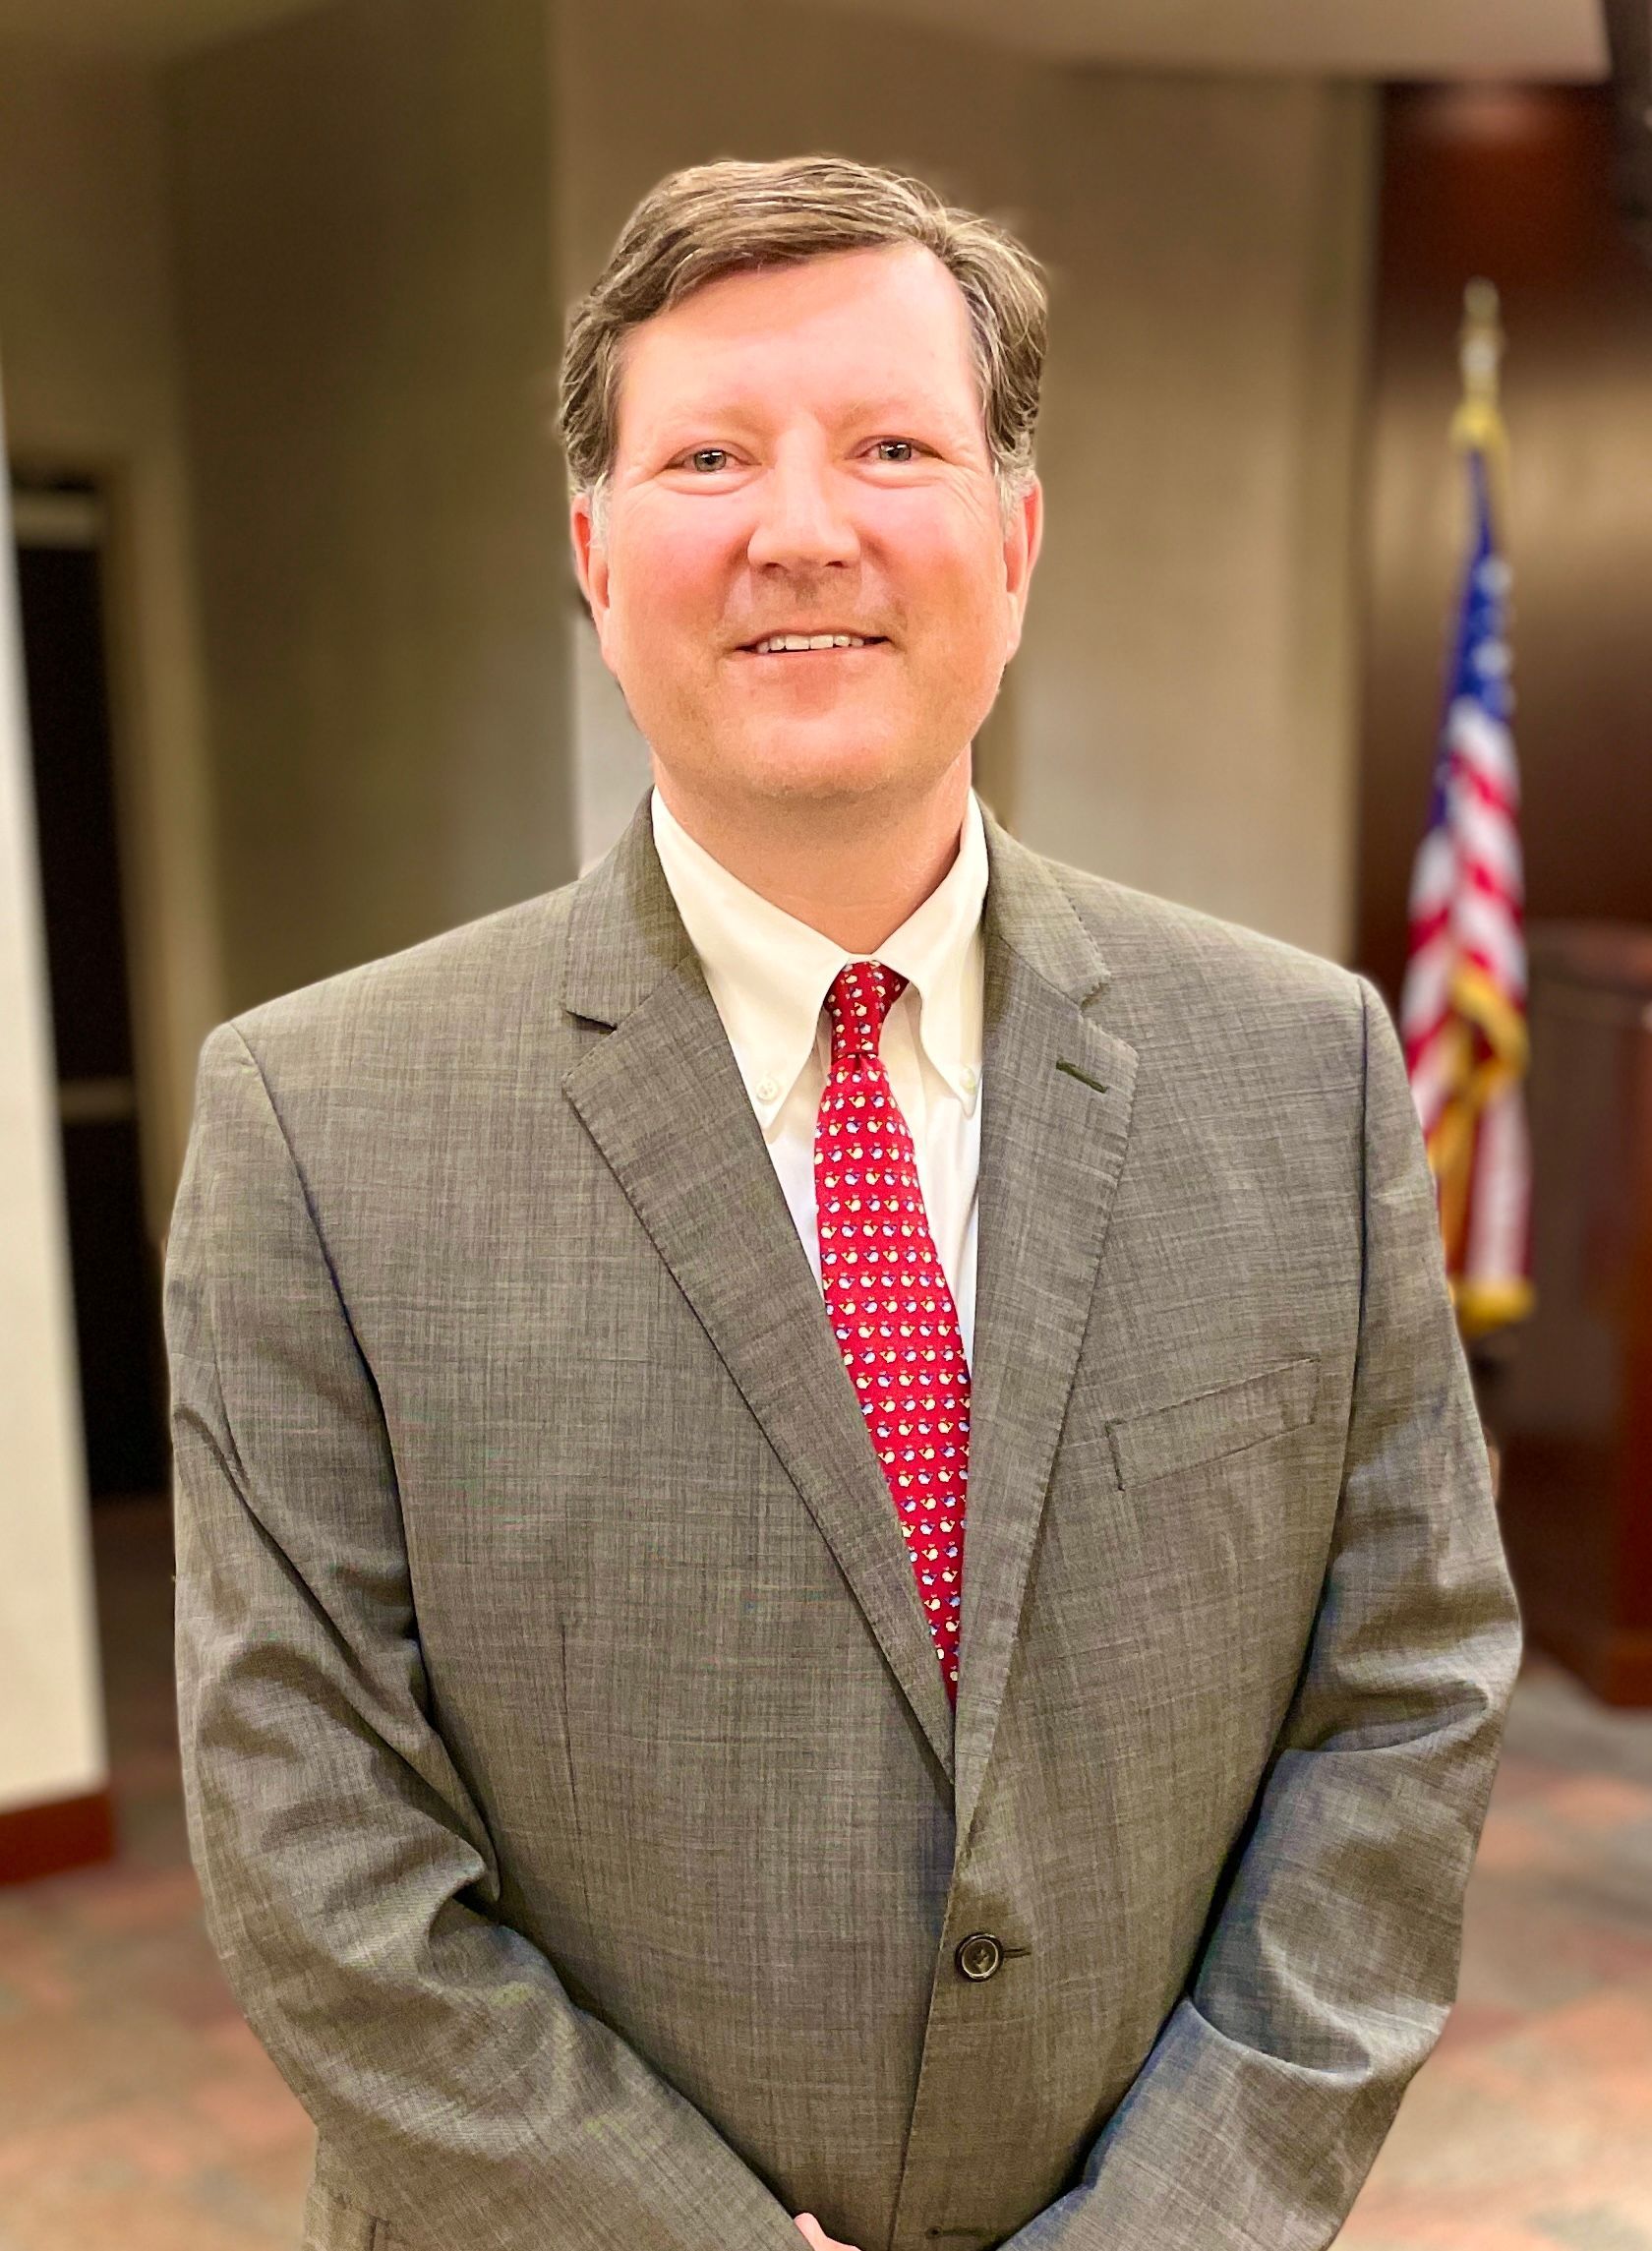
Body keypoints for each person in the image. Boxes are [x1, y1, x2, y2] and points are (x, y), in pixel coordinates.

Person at [165, 154, 1522, 2251]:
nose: (805, 526)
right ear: (594, 548)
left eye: (893, 445)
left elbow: (1406, 1691)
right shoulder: (316, 1122)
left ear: (1016, 531)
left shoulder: (1303, 1067)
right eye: (710, 452)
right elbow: (311, 1840)